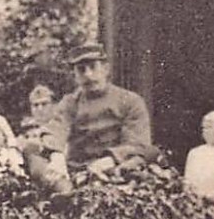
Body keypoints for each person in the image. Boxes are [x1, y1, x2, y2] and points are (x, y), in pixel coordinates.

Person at [49, 43, 155, 171]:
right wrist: (56, 156)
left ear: (105, 69)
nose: (88, 74)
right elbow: (56, 129)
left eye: (93, 67)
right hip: (77, 170)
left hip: (118, 167)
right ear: (75, 76)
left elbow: (137, 143)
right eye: (81, 69)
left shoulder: (130, 101)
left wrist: (111, 159)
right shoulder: (70, 103)